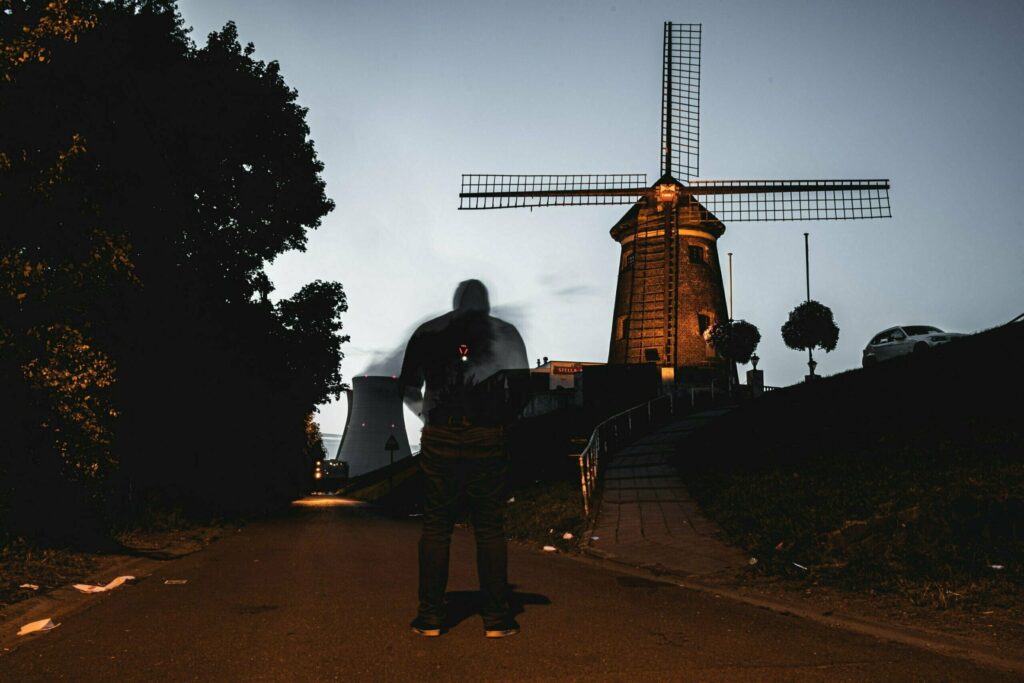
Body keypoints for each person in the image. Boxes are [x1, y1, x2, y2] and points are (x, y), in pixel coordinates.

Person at [399, 279, 528, 638]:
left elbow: (407, 387)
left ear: (456, 302)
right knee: (489, 527)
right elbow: (523, 389)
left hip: (440, 436)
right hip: (487, 436)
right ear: (486, 303)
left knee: (436, 526)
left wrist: (429, 417)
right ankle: (496, 618)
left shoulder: (429, 332)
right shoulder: (505, 334)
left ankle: (430, 617)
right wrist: (501, 421)